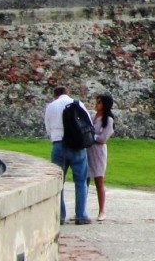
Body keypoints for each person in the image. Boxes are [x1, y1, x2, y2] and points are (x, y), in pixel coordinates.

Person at [44, 86, 91, 224]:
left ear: (55, 95)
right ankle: (81, 215)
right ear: (67, 93)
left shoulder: (51, 107)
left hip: (58, 144)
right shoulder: (78, 104)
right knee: (80, 181)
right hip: (77, 146)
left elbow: (48, 128)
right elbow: (86, 123)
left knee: (59, 182)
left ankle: (60, 215)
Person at [86, 93, 116, 222]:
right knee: (84, 180)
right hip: (88, 149)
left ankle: (101, 210)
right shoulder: (93, 117)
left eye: (99, 102)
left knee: (99, 181)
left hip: (98, 151)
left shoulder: (108, 120)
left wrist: (93, 137)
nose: (96, 105)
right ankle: (82, 210)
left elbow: (103, 138)